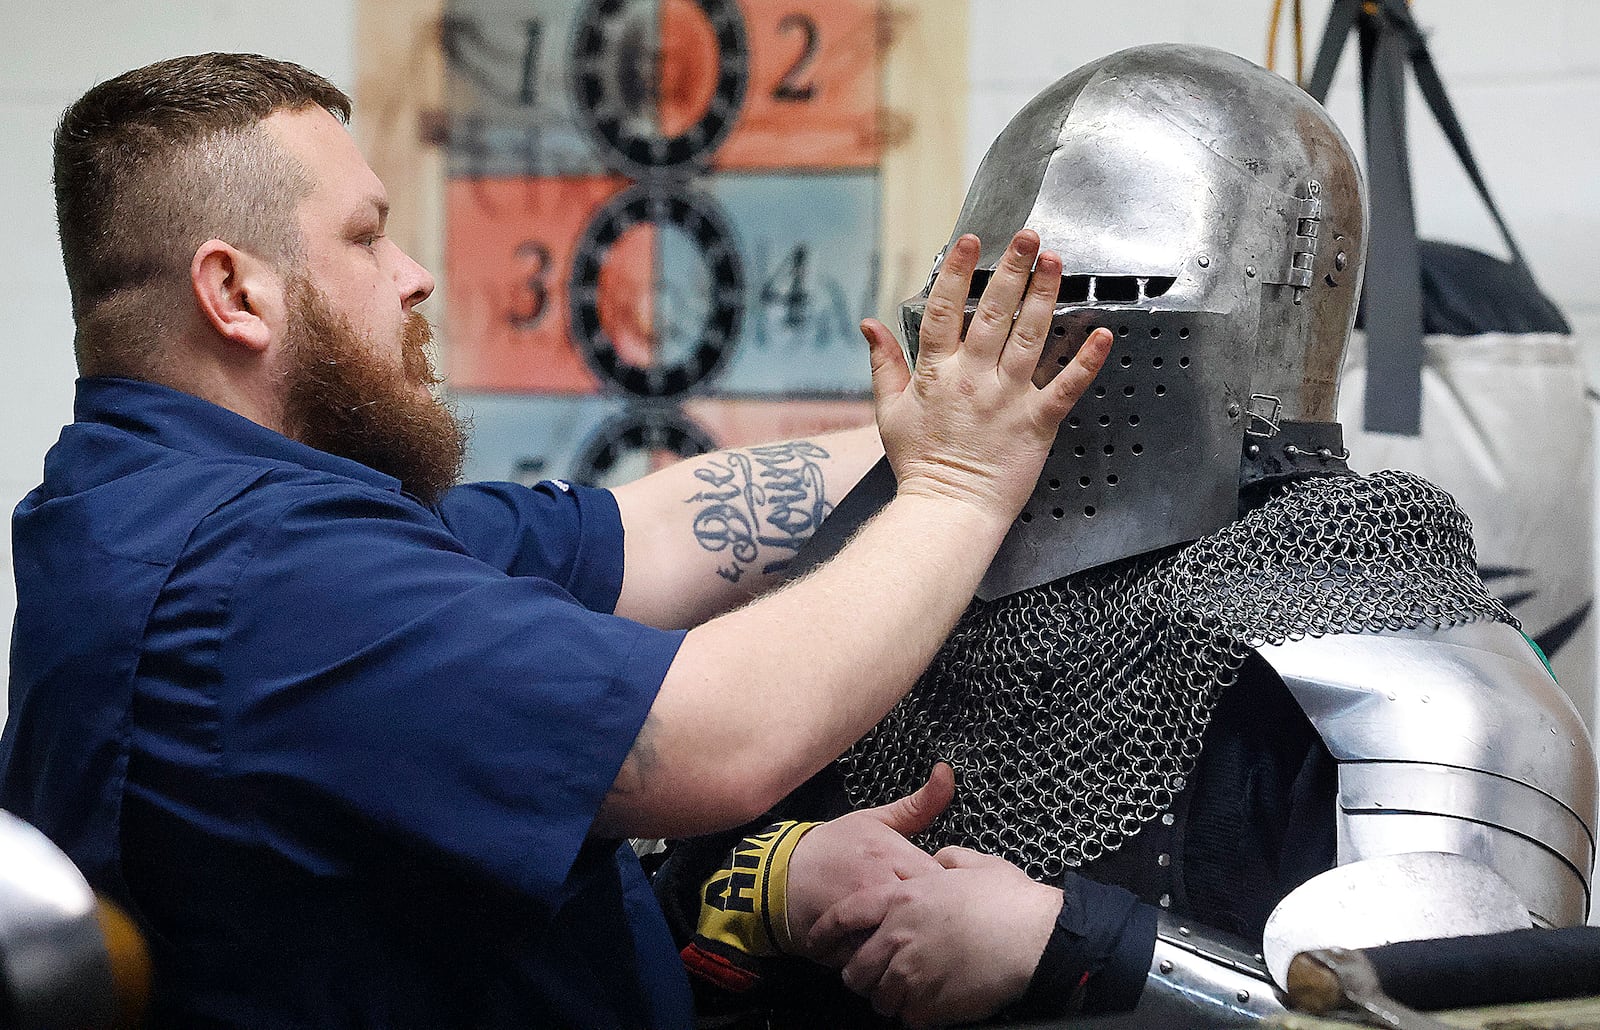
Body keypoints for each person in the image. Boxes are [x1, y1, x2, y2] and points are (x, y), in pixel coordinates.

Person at [0, 52, 1112, 1027]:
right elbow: (723, 738)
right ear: (234, 291)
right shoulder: (263, 584)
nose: (413, 275)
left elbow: (654, 527)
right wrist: (961, 487)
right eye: (366, 236)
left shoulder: (171, 504)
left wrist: (952, 425)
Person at [662, 44, 1599, 1029]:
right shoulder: (885, 577)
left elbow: (1443, 1020)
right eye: (978, 299)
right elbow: (662, 903)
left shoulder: (1422, 691)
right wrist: (763, 880)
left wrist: (1071, 949)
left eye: (1108, 292)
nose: (1015, 346)